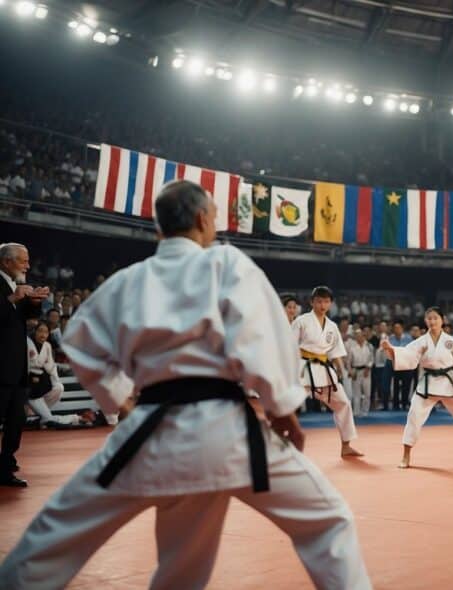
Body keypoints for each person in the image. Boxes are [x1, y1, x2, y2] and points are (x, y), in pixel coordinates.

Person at [0, 180, 371, 588]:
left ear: (159, 228)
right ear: (201, 219)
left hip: (148, 432)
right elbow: (263, 334)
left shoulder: (131, 279)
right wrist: (282, 407)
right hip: (229, 433)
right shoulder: (227, 264)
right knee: (328, 522)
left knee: (54, 543)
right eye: (213, 216)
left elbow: (80, 340)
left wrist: (120, 400)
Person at [381, 307, 453, 469]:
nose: (432, 321)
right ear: (425, 321)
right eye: (429, 318)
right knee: (414, 414)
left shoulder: (450, 342)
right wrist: (392, 350)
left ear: (442, 320)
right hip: (428, 383)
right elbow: (409, 355)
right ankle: (406, 455)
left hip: (448, 382)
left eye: (435, 318)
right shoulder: (421, 342)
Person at [292, 286, 363, 458]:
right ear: (312, 302)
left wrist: (340, 368)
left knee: (343, 404)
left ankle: (346, 445)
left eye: (326, 301)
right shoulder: (301, 321)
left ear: (330, 304)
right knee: (289, 405)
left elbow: (335, 351)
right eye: (318, 301)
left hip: (324, 369)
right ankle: (283, 446)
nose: (322, 305)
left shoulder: (332, 326)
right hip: (303, 368)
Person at [0, 242, 48, 487]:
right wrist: (11, 298)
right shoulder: (9, 289)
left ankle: (6, 469)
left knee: (16, 421)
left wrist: (35, 302)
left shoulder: (15, 285)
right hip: (0, 369)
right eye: (23, 260)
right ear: (7, 262)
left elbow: (25, 319)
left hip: (17, 368)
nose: (28, 265)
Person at [26, 322, 82, 428]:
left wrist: (54, 377)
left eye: (46, 332)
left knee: (58, 387)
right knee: (48, 418)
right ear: (35, 331)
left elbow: (51, 366)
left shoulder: (47, 345)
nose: (43, 334)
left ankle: (36, 416)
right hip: (29, 388)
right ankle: (73, 418)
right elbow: (31, 364)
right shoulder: (28, 343)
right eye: (40, 331)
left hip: (42, 384)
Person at [346, 329, 374, 418]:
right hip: (356, 371)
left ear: (363, 336)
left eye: (360, 335)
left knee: (367, 393)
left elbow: (372, 359)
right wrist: (350, 371)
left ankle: (365, 411)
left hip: (366, 371)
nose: (359, 337)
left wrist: (368, 368)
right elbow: (348, 361)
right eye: (357, 336)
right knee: (356, 393)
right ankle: (356, 411)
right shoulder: (352, 348)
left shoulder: (369, 346)